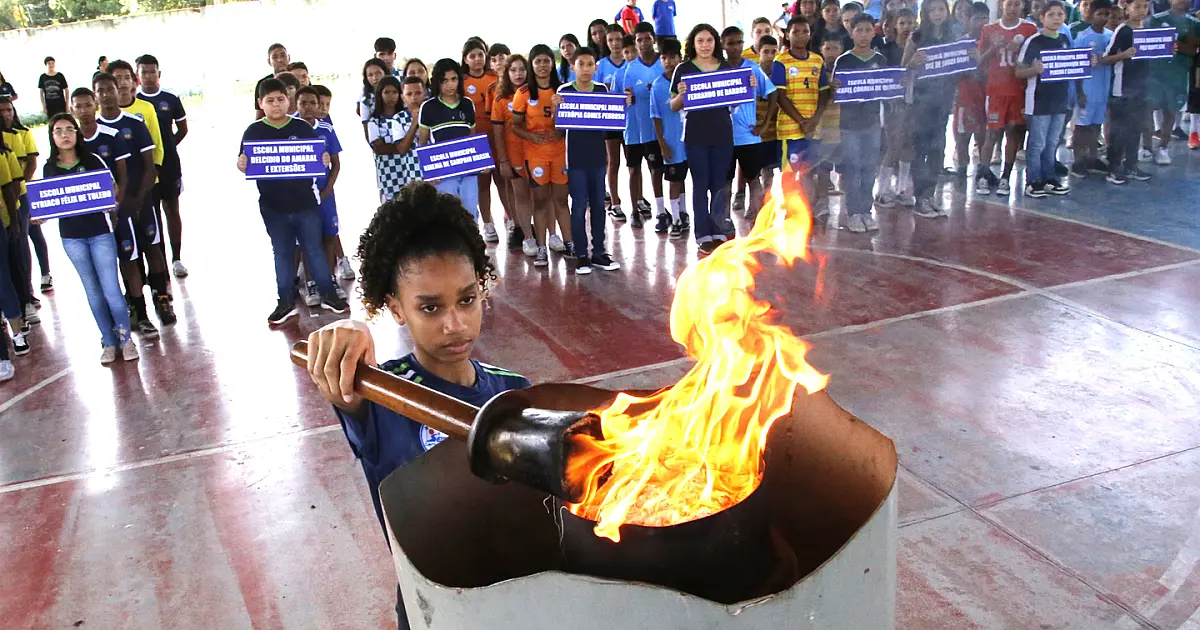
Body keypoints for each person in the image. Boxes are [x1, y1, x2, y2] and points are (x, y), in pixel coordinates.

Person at [305, 181, 531, 630]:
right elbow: (343, 387)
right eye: (430, 308)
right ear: (396, 308)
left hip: (516, 601)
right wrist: (346, 329)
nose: (455, 324)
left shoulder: (515, 392)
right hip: (432, 611)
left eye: (468, 299)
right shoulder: (380, 395)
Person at [236, 78, 348, 325]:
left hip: (306, 203)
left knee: (314, 249)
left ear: (288, 100)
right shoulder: (253, 131)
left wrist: (324, 159)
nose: (276, 105)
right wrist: (241, 164)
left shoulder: (303, 128)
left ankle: (328, 294)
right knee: (282, 253)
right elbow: (244, 162)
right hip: (273, 206)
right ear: (260, 103)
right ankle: (285, 300)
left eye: (280, 99)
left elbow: (319, 159)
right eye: (270, 101)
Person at [39, 113, 139, 364]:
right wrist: (40, 215)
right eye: (58, 130)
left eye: (69, 129)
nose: (64, 134)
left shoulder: (93, 160)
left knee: (112, 291)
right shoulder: (49, 168)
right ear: (52, 137)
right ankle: (108, 340)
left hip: (100, 234)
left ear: (77, 133)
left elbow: (113, 188)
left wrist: (110, 201)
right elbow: (49, 201)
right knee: (92, 292)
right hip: (72, 238)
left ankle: (126, 339)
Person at [93, 72, 176, 330]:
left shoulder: (135, 124)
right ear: (96, 95)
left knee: (153, 248)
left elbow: (149, 168)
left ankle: (162, 300)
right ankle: (139, 312)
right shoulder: (94, 133)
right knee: (127, 257)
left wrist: (138, 201)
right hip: (115, 208)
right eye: (101, 90)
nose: (107, 95)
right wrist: (118, 205)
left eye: (111, 89)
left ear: (120, 90)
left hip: (143, 200)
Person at [671, 23, 745, 256]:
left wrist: (747, 87)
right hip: (695, 135)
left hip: (722, 133)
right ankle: (703, 234)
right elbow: (673, 105)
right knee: (700, 185)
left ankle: (720, 230)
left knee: (720, 185)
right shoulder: (683, 69)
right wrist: (682, 95)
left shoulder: (725, 67)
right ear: (693, 43)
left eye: (709, 40)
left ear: (716, 43)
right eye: (700, 40)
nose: (705, 45)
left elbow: (735, 100)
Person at [557, 47, 625, 275]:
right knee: (578, 208)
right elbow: (557, 127)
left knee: (598, 206)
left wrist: (623, 105)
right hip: (575, 159)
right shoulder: (564, 91)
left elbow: (610, 120)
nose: (585, 69)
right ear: (573, 67)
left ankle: (598, 252)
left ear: (596, 67)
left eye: (590, 64)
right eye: (581, 64)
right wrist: (556, 108)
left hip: (597, 158)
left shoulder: (602, 89)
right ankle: (581, 255)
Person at [512, 44, 573, 261]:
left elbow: (575, 118)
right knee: (539, 201)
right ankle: (541, 247)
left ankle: (569, 243)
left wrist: (561, 131)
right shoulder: (523, 93)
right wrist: (531, 136)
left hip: (559, 154)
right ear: (532, 64)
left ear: (552, 63)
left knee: (561, 199)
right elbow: (515, 125)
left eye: (546, 60)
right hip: (535, 155)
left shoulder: (564, 89)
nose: (542, 65)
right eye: (537, 61)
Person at [135, 54, 190, 279]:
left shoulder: (170, 99)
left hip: (169, 167)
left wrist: (167, 148)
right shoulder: (133, 102)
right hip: (146, 170)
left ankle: (176, 258)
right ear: (137, 76)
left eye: (152, 71)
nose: (148, 76)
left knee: (172, 209)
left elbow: (183, 129)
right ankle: (159, 264)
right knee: (151, 214)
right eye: (143, 72)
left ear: (159, 74)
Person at [976, 0, 1038, 195]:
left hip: (1019, 91)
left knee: (1014, 133)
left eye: (1017, 4)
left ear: (1022, 6)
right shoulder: (989, 29)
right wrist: (993, 47)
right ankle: (984, 175)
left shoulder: (1029, 29)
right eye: (1009, 4)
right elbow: (978, 61)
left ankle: (1005, 177)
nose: (1012, 8)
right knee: (992, 134)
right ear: (1003, 4)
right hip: (996, 91)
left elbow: (1036, 58)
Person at [1014, 0, 1076, 197]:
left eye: (1060, 14)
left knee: (1052, 143)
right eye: (1051, 15)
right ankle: (1033, 181)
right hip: (1039, 100)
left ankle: (1049, 178)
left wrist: (1086, 62)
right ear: (1042, 18)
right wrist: (1035, 70)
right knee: (1037, 143)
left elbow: (1072, 65)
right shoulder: (1034, 41)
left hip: (1059, 99)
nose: (1056, 18)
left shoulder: (1065, 39)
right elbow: (1018, 71)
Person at [833, 15, 888, 232]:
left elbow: (887, 89)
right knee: (853, 168)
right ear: (851, 33)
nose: (864, 35)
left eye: (868, 30)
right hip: (849, 125)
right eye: (859, 30)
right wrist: (834, 86)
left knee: (869, 168)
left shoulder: (881, 60)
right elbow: (835, 92)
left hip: (873, 123)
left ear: (874, 33)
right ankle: (853, 212)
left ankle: (866, 210)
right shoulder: (844, 60)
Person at [903, 0, 958, 218]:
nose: (937, 14)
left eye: (940, 9)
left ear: (947, 11)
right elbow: (902, 70)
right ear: (925, 13)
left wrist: (970, 59)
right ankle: (920, 198)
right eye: (932, 10)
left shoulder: (953, 36)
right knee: (920, 149)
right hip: (920, 102)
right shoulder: (916, 37)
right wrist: (913, 63)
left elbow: (961, 68)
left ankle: (930, 195)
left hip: (942, 102)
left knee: (938, 149)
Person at [296, 86, 348, 300]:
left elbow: (336, 164)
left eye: (312, 103)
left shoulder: (326, 129)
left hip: (325, 195)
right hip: (299, 197)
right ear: (296, 105)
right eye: (303, 103)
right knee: (308, 241)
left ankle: (329, 280)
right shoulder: (289, 128)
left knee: (328, 236)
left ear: (319, 106)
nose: (308, 108)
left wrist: (327, 190)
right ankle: (311, 283)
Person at [773, 17, 830, 211]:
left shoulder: (817, 59)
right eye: (795, 32)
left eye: (805, 31)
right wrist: (801, 121)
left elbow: (824, 92)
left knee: (810, 170)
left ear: (810, 34)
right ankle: (791, 210)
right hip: (791, 128)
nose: (800, 35)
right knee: (790, 171)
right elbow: (780, 96)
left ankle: (808, 209)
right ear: (787, 35)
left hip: (814, 128)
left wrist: (814, 120)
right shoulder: (781, 61)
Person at [722, 26, 777, 228]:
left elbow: (772, 93)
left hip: (748, 136)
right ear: (723, 45)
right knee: (725, 184)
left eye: (739, 42)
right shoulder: (717, 69)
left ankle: (759, 222)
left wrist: (764, 124)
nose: (735, 47)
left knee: (754, 179)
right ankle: (725, 222)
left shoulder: (752, 68)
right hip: (724, 138)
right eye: (730, 43)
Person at [419, 58, 484, 221]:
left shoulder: (467, 104)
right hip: (443, 172)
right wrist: (430, 172)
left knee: (470, 213)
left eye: (454, 79)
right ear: (437, 83)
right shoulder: (428, 107)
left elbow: (473, 137)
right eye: (445, 81)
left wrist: (481, 162)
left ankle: (472, 246)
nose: (450, 85)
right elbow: (423, 142)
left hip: (468, 170)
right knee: (448, 215)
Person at [616, 24, 665, 229]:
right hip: (634, 129)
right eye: (639, 40)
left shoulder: (663, 63)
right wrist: (625, 100)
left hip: (655, 128)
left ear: (653, 39)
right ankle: (635, 210)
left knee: (657, 169)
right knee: (634, 170)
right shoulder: (629, 69)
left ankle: (661, 210)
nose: (644, 43)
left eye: (647, 38)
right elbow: (621, 98)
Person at [491, 55, 539, 259]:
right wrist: (503, 160)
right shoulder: (500, 99)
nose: (518, 74)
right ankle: (525, 234)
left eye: (522, 69)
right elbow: (498, 133)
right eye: (513, 70)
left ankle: (543, 235)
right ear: (507, 73)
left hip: (538, 155)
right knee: (520, 195)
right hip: (514, 155)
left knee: (539, 196)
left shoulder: (535, 94)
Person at [1103, 0, 1154, 183]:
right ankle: (1114, 168)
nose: (1141, 10)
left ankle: (1131, 165)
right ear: (1127, 7)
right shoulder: (1123, 30)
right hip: (1123, 88)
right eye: (1137, 6)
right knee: (1120, 130)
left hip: (1142, 87)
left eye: (1145, 6)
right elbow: (1106, 58)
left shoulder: (1147, 29)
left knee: (1136, 128)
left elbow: (1154, 55)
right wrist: (1122, 56)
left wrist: (1168, 49)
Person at [1146, 0, 1200, 165]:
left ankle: (1163, 147)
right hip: (1156, 73)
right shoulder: (1156, 19)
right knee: (1148, 109)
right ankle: (1146, 147)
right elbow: (1147, 45)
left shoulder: (1194, 23)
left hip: (1179, 73)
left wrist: (1178, 47)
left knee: (1171, 111)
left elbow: (1194, 49)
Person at [462, 39, 504, 244]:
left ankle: (514, 221)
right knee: (483, 184)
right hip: (476, 140)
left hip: (498, 135)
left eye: (480, 55)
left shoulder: (495, 77)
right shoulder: (462, 82)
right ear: (465, 59)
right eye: (472, 56)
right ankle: (488, 223)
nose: (477, 59)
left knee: (503, 181)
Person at [875, 8, 916, 207]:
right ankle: (882, 190)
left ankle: (902, 189)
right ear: (894, 26)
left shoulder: (921, 46)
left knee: (908, 143)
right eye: (902, 23)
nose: (907, 27)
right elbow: (886, 78)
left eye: (910, 23)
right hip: (892, 103)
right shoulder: (886, 49)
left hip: (915, 101)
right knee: (893, 144)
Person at [1070, 0, 1115, 178]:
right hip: (1087, 89)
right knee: (1081, 127)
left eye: (1107, 14)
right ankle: (1077, 161)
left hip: (1103, 90)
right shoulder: (1082, 37)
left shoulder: (1111, 36)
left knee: (1096, 125)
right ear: (1092, 14)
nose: (1104, 18)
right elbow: (1076, 65)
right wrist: (1079, 91)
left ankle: (1092, 158)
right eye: (1100, 14)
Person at [651, 37, 690, 239]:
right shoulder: (657, 86)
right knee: (674, 181)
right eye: (664, 57)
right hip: (672, 141)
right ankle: (674, 219)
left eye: (672, 57)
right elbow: (656, 118)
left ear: (680, 58)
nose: (668, 61)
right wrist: (662, 144)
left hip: (692, 139)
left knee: (684, 178)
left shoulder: (690, 80)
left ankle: (683, 212)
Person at [948, 3, 992, 177]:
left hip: (987, 96)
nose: (980, 22)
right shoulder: (960, 43)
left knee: (983, 136)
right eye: (976, 18)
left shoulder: (993, 41)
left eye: (984, 18)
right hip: (965, 97)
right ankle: (962, 168)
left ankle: (983, 170)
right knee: (962, 136)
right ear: (967, 20)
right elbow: (954, 72)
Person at [368, 76, 423, 203]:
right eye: (387, 92)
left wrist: (401, 144)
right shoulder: (375, 120)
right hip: (388, 172)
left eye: (394, 92)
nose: (391, 96)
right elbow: (379, 148)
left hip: (408, 169)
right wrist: (401, 145)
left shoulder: (407, 114)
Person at [597, 24, 629, 220]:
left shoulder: (630, 62)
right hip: (610, 120)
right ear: (605, 42)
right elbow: (596, 91)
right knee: (613, 161)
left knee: (633, 164)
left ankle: (638, 199)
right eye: (611, 40)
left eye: (618, 39)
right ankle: (615, 202)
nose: (615, 44)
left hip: (631, 120)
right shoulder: (601, 65)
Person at [812, 36, 844, 216]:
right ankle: (821, 201)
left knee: (844, 167)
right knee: (822, 167)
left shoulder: (847, 70)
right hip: (822, 126)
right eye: (828, 48)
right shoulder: (816, 72)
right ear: (821, 50)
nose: (832, 52)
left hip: (842, 126)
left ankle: (849, 210)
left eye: (835, 48)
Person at [755, 35, 782, 198]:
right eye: (766, 52)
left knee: (781, 170)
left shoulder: (781, 73)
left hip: (779, 131)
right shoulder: (752, 75)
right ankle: (759, 205)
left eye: (774, 52)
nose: (770, 56)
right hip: (760, 132)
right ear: (759, 52)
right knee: (762, 172)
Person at [255, 43, 291, 120]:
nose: (280, 60)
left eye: (283, 55)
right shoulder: (262, 83)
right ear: (269, 61)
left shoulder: (297, 78)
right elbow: (259, 115)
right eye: (275, 57)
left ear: (289, 58)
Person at [358, 58, 389, 141]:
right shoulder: (366, 101)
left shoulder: (399, 94)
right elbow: (367, 134)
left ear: (385, 73)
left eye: (378, 73)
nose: (375, 78)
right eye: (370, 75)